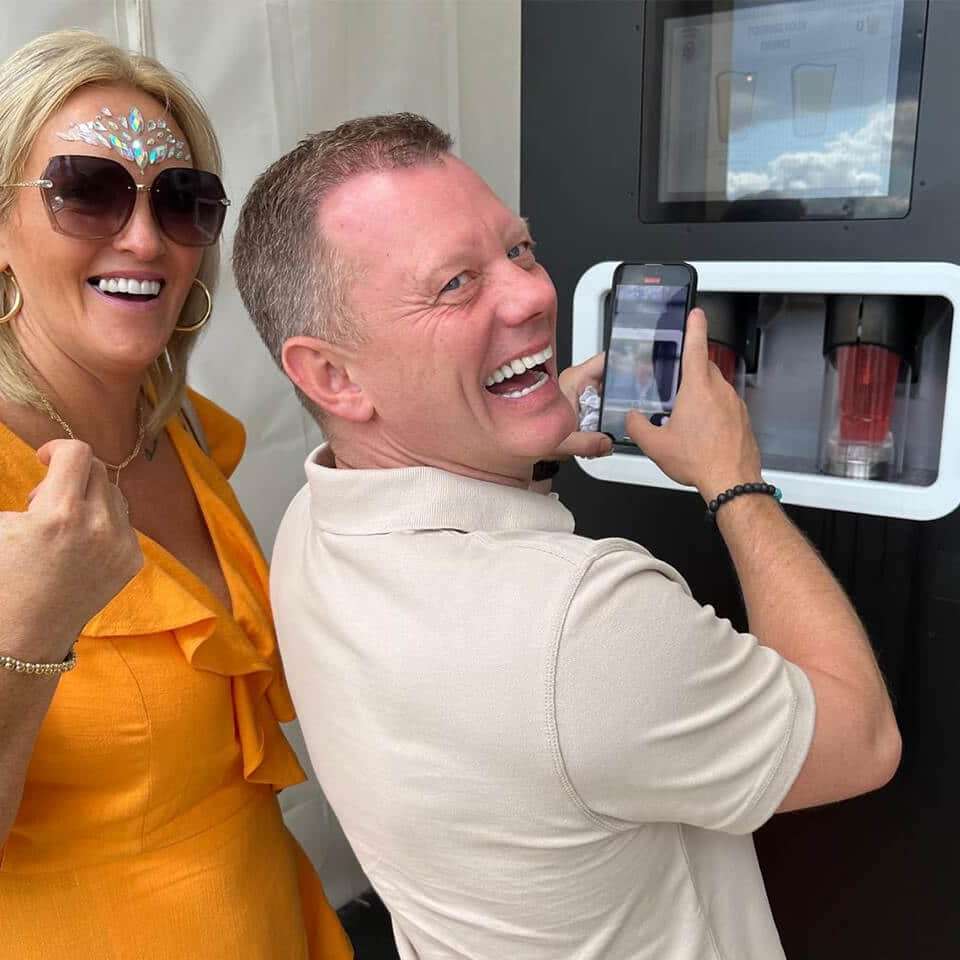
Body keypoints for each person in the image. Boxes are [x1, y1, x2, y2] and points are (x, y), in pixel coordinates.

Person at [233, 113, 901, 960]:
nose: (533, 294)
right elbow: (860, 739)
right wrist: (734, 481)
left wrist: (523, 436)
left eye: (518, 248)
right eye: (455, 284)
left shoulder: (311, 523)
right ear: (331, 375)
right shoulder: (584, 619)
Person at [0, 31, 350, 959]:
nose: (145, 239)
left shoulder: (184, 428)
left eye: (181, 200)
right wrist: (31, 634)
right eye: (87, 192)